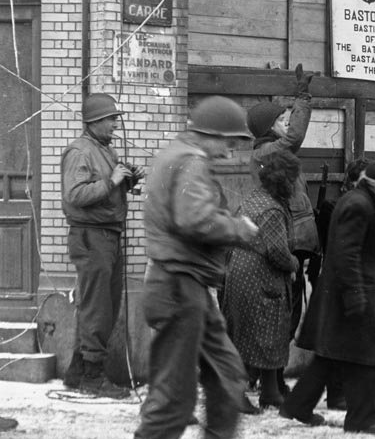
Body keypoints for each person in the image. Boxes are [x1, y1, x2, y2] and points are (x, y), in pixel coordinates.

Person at [134, 96, 259, 439]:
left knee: (227, 373)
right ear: (211, 134)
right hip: (178, 284)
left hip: (186, 284)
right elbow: (193, 219)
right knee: (174, 396)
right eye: (228, 143)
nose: (229, 152)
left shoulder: (173, 155)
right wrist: (238, 228)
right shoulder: (191, 161)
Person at [280, 160, 375, 435]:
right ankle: (362, 419)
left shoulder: (358, 201)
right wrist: (356, 295)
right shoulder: (359, 205)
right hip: (352, 295)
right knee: (368, 359)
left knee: (331, 356)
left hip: (345, 294)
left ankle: (297, 406)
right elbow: (347, 254)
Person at [61, 93, 145, 399]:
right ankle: (94, 378)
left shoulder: (103, 150)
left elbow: (107, 188)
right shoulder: (80, 152)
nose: (114, 125)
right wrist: (111, 180)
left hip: (107, 235)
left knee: (103, 304)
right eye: (110, 119)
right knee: (98, 307)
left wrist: (128, 180)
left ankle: (76, 372)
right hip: (91, 236)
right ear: (94, 121)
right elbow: (75, 195)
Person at [247, 63, 320, 394]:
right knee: (282, 315)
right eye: (279, 119)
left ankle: (268, 378)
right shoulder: (267, 150)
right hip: (284, 243)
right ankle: (265, 380)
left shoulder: (273, 150)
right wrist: (302, 97)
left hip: (295, 242)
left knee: (288, 313)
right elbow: (295, 135)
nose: (286, 122)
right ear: (268, 128)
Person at [222, 150, 302, 410]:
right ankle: (252, 393)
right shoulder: (272, 209)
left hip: (239, 274)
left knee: (246, 335)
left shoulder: (253, 199)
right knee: (271, 331)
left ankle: (267, 392)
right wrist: (295, 263)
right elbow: (277, 251)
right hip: (262, 278)